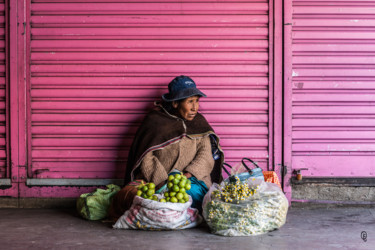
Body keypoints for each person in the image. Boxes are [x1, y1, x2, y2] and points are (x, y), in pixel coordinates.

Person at [109, 75, 224, 220]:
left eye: (197, 101)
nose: (195, 107)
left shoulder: (199, 122)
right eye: (190, 102)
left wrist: (187, 176)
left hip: (191, 180)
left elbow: (206, 155)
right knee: (135, 198)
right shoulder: (155, 122)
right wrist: (162, 182)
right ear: (175, 103)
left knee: (193, 195)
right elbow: (146, 157)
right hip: (156, 181)